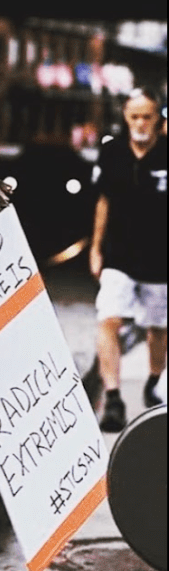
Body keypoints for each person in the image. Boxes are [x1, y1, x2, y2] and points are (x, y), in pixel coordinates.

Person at [89, 88, 167, 432]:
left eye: (147, 116)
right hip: (118, 253)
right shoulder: (113, 151)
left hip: (160, 255)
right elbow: (103, 200)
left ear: (158, 118)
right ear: (125, 117)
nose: (140, 123)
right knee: (109, 319)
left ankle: (153, 379)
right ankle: (114, 398)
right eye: (134, 116)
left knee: (158, 329)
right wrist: (96, 247)